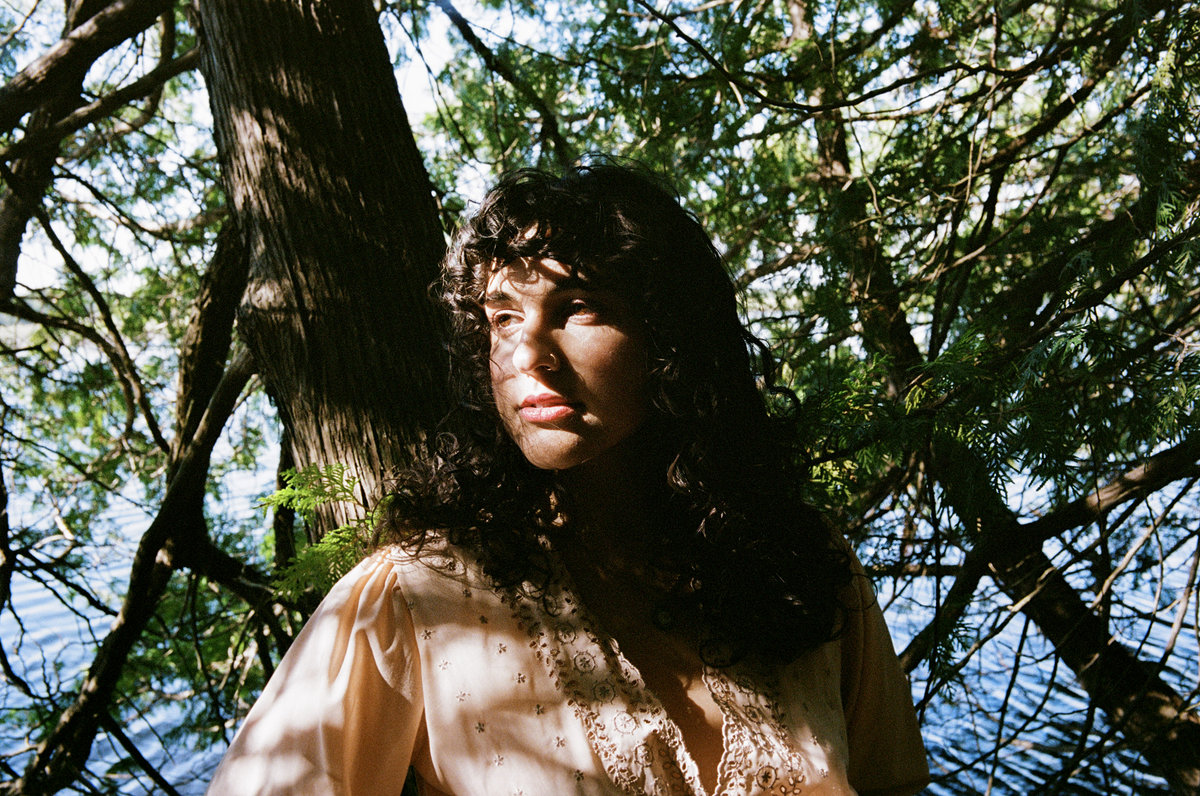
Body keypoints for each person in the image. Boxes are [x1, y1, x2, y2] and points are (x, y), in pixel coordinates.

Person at [207, 161, 929, 796]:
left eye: (578, 307)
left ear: (671, 335)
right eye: (502, 317)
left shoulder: (803, 566)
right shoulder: (413, 600)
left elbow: (889, 783)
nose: (528, 354)